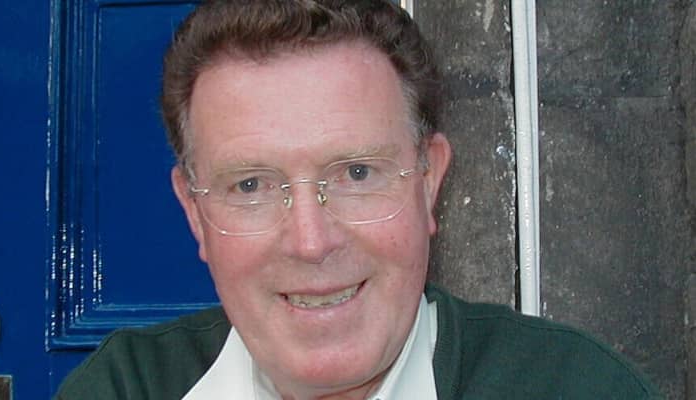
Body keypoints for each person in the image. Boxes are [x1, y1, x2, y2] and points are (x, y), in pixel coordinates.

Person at [55, 1, 663, 399]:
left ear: (429, 182)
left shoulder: (574, 387)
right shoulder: (125, 388)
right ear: (194, 211)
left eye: (356, 173)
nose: (311, 241)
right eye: (251, 185)